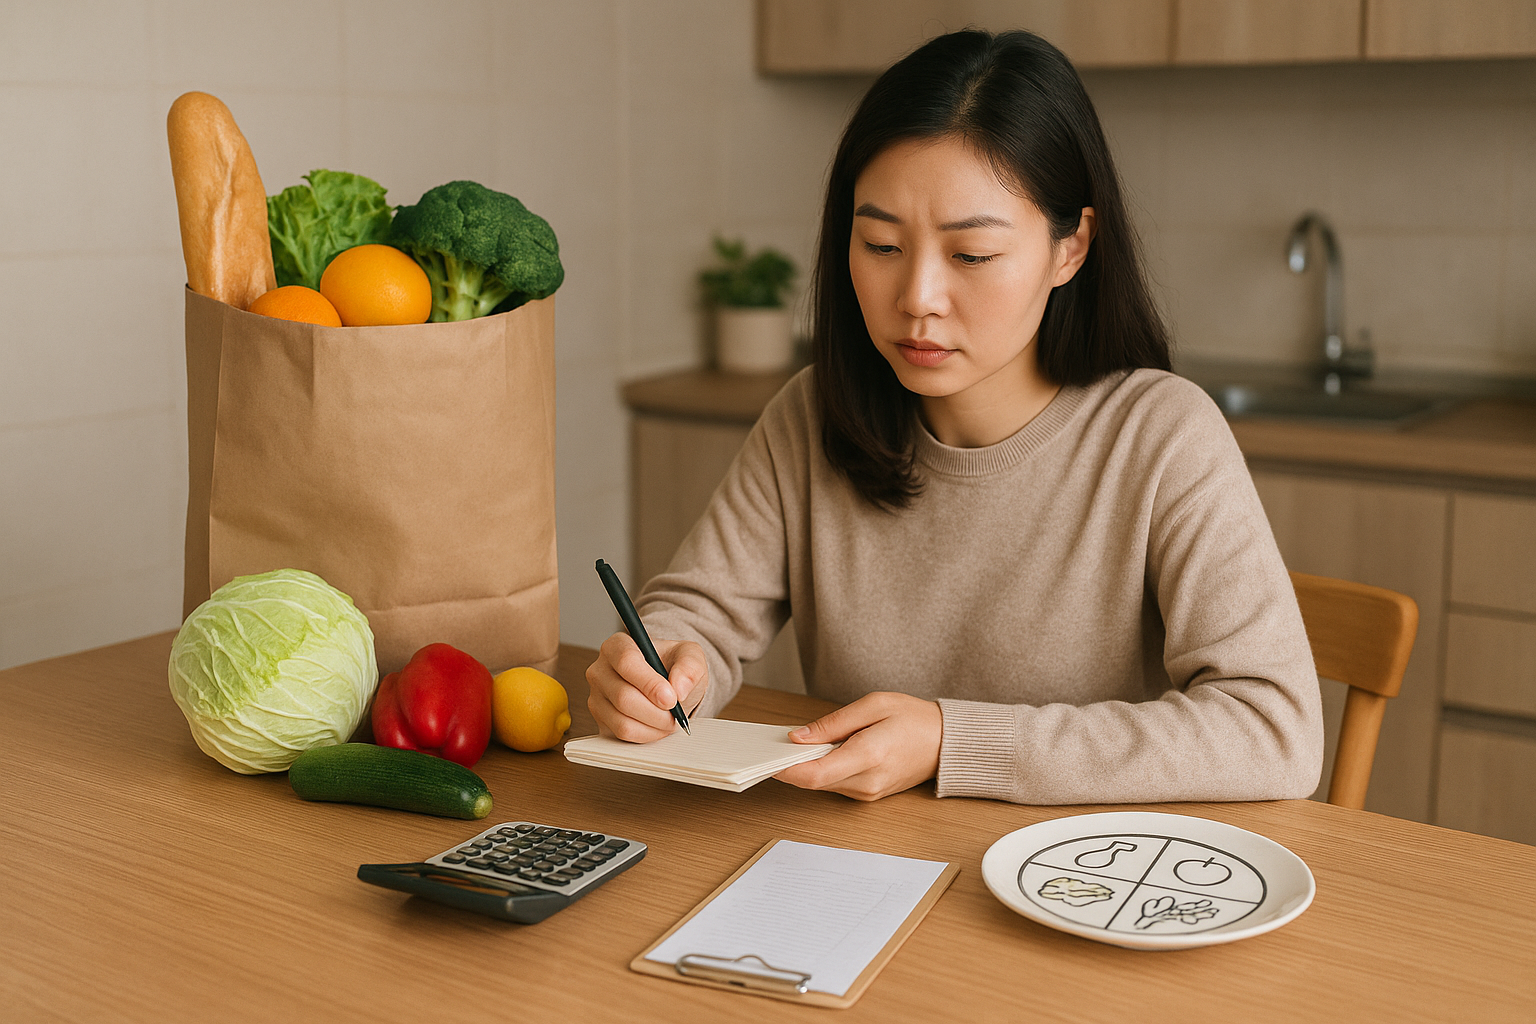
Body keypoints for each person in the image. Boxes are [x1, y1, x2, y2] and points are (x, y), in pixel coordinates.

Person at [586, 29, 1323, 804]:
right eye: (880, 244)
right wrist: (661, 666)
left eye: (971, 256)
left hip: (1077, 879)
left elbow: (1272, 730)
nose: (917, 298)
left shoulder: (1160, 435)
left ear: (1071, 247)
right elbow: (698, 613)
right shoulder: (811, 415)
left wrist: (952, 741)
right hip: (862, 871)